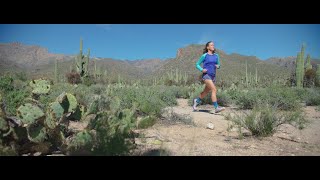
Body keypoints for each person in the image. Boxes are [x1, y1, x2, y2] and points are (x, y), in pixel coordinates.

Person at [193, 41, 225, 114]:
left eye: (213, 45)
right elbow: (197, 64)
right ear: (208, 47)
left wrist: (218, 66)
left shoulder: (216, 56)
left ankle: (196, 101)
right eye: (211, 45)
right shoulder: (204, 55)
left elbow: (218, 64)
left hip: (213, 76)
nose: (213, 46)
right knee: (214, 89)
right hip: (206, 75)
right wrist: (202, 69)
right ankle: (216, 107)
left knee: (205, 92)